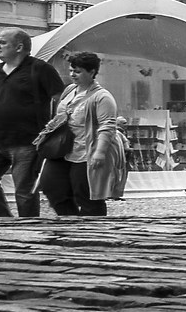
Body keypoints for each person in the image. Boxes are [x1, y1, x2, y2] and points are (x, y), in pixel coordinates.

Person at [36, 52, 126, 216]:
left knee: (86, 193)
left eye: (78, 71)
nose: (72, 75)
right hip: (62, 149)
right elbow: (60, 115)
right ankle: (71, 221)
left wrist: (100, 152)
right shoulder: (70, 90)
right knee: (51, 185)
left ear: (91, 72)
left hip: (86, 151)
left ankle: (94, 230)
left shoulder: (102, 97)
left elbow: (107, 126)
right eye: (71, 70)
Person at [0, 30, 64, 217]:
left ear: (19, 47)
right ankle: (4, 222)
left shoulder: (40, 69)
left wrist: (52, 127)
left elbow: (61, 98)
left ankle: (29, 228)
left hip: (27, 141)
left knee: (24, 190)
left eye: (2, 42)